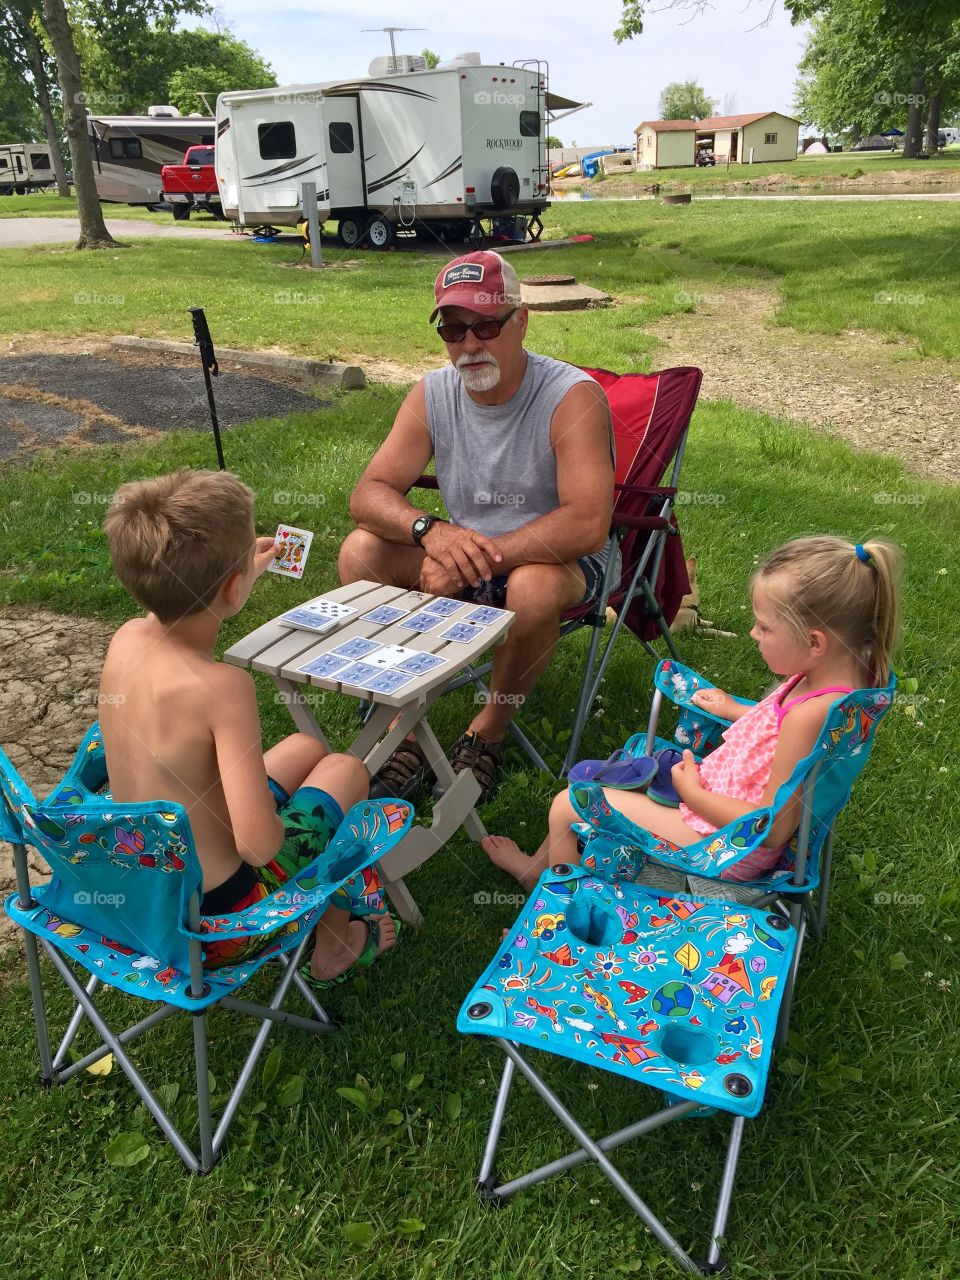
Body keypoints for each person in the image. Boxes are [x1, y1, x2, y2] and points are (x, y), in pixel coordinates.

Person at [99, 468, 398, 984]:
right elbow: (258, 847)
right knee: (346, 770)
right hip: (217, 924)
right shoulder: (222, 688)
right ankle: (335, 944)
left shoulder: (125, 639)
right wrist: (295, 821)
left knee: (305, 746)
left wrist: (237, 572)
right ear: (234, 589)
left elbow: (182, 598)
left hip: (139, 891)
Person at [338, 250, 616, 802]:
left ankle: (486, 733)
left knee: (531, 586)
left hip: (558, 562)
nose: (469, 344)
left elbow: (587, 523)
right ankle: (404, 727)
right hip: (461, 548)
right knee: (360, 552)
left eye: (486, 325)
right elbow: (368, 494)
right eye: (452, 328)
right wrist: (431, 534)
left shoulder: (571, 397)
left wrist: (473, 560)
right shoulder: (433, 393)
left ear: (521, 320)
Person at [482, 535, 903, 891]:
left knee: (568, 803)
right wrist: (736, 709)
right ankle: (547, 865)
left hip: (724, 847)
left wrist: (693, 794)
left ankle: (553, 897)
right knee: (622, 771)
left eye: (764, 626)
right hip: (720, 810)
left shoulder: (808, 717)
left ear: (815, 643)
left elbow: (772, 826)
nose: (754, 634)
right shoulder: (850, 678)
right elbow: (785, 738)